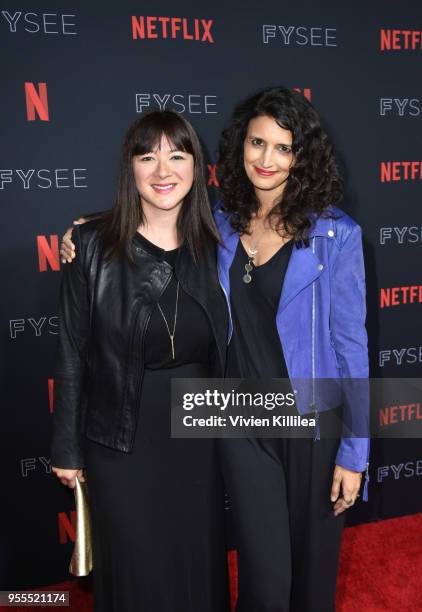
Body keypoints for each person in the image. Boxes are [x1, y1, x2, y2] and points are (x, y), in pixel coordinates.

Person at [61, 87, 370, 612]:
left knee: (312, 582)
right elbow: (150, 221)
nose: (266, 159)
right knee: (265, 584)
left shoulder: (336, 236)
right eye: (257, 143)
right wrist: (88, 227)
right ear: (239, 146)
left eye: (283, 147)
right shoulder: (219, 226)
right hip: (241, 423)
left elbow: (352, 346)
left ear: (303, 156)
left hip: (313, 422)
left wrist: (355, 452)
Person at [51, 110, 230, 612]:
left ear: (197, 167)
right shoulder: (90, 246)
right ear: (129, 169)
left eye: (177, 155)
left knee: (196, 561)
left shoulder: (221, 246)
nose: (162, 170)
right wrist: (66, 446)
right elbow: (70, 350)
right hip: (119, 439)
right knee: (136, 570)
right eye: (146, 157)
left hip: (200, 433)